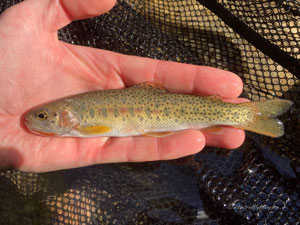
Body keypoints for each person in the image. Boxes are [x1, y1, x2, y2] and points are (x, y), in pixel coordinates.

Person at [0, 0, 245, 172]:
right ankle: (239, 115)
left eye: (43, 115)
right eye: (42, 115)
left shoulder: (83, 123)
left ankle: (241, 115)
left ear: (65, 116)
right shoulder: (75, 113)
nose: (37, 118)